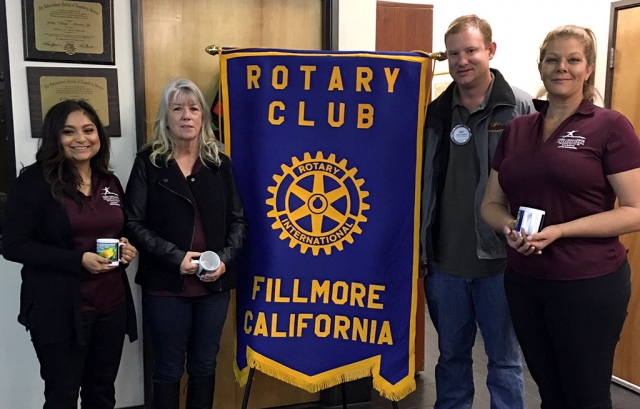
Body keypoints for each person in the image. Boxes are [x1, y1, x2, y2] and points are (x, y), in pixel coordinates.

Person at [481, 25, 640, 408]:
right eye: (552, 59)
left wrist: (560, 231)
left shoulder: (610, 127)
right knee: (549, 392)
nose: (561, 68)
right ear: (541, 67)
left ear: (588, 69)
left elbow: (635, 211)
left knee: (585, 396)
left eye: (573, 60)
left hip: (588, 284)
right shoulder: (518, 128)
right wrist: (509, 227)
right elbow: (491, 204)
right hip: (525, 281)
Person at [419, 14, 533, 409]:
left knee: (503, 362)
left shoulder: (517, 106)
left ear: (490, 51)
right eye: (453, 53)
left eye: (470, 51)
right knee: (450, 359)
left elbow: (534, 179)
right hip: (444, 264)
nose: (462, 60)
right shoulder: (432, 112)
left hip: (500, 264)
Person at [2, 100, 138, 409]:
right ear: (55, 137)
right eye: (69, 131)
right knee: (62, 395)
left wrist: (125, 248)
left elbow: (117, 228)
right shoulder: (34, 183)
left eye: (89, 130)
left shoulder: (109, 181)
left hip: (110, 305)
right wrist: (77, 261)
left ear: (99, 136)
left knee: (102, 392)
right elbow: (12, 244)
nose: (81, 139)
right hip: (59, 310)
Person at [125, 78, 247, 409]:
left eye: (194, 108)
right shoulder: (149, 163)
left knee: (205, 364)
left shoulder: (220, 164)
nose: (186, 116)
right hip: (166, 287)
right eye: (177, 108)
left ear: (204, 118)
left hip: (214, 287)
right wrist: (175, 257)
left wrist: (224, 259)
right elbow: (133, 223)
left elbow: (238, 220)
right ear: (165, 117)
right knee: (167, 366)